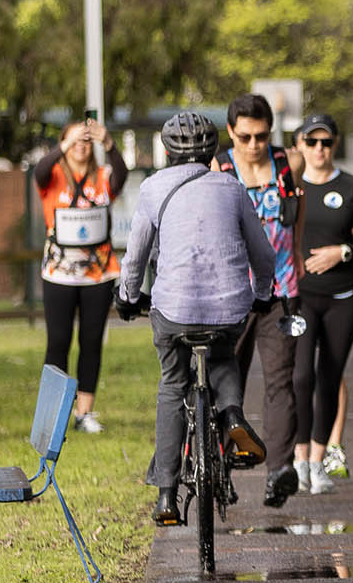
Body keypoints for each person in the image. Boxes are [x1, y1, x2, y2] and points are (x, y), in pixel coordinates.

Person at [115, 111, 276, 524]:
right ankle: (233, 413)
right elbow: (264, 255)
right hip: (229, 306)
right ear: (213, 150)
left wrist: (128, 298)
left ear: (167, 152)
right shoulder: (233, 188)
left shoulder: (152, 189)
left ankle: (167, 496)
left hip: (173, 308)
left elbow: (134, 260)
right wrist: (261, 295)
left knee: (173, 383)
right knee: (222, 355)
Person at [215, 94, 304, 508]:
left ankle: (280, 471)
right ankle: (220, 467)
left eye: (262, 136)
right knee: (225, 382)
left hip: (281, 291)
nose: (254, 144)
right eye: (245, 136)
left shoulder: (290, 162)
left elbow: (297, 212)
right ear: (231, 132)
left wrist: (299, 255)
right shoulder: (220, 167)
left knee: (280, 381)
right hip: (233, 292)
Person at [293, 114, 353, 493]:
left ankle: (317, 462)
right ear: (299, 144)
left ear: (334, 145)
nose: (319, 149)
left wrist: (342, 251)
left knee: (329, 378)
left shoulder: (351, 187)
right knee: (300, 376)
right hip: (300, 298)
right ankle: (298, 460)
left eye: (326, 143)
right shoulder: (292, 189)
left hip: (345, 297)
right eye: (311, 142)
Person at [34, 116, 128, 432]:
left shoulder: (102, 177)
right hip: (58, 274)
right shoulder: (54, 176)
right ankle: (54, 414)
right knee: (58, 341)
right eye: (75, 141)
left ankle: (84, 412)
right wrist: (66, 141)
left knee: (91, 342)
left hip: (98, 275)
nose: (81, 147)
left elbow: (122, 175)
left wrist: (107, 141)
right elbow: (39, 170)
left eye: (85, 142)